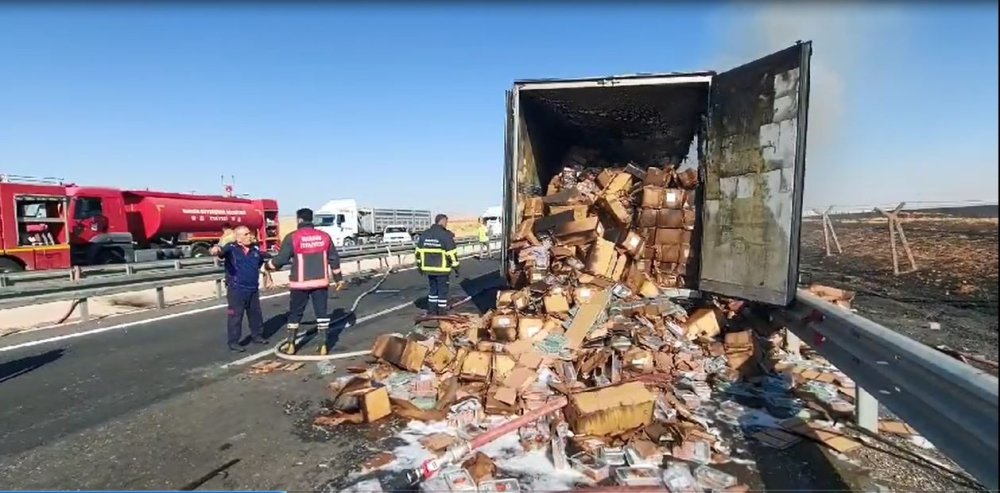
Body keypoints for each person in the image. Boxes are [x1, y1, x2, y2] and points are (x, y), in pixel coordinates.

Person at [267, 208, 344, 355]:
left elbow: (281, 260)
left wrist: (267, 267)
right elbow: (334, 258)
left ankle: (291, 344)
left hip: (299, 283)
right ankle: (323, 345)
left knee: (295, 313)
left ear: (299, 220)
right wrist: (338, 279)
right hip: (320, 283)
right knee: (321, 313)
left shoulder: (292, 237)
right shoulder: (324, 236)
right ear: (311, 219)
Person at [210, 225, 272, 352]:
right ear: (238, 238)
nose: (249, 236)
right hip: (236, 289)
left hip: (253, 288)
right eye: (246, 234)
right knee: (235, 316)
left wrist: (269, 276)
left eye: (249, 233)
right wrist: (215, 249)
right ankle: (233, 341)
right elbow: (219, 251)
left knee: (255, 314)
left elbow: (262, 266)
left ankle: (257, 336)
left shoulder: (255, 250)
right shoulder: (231, 248)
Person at [415, 214, 460, 315]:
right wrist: (456, 267)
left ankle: (431, 310)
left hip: (429, 269)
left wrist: (419, 266)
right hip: (442, 270)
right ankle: (442, 311)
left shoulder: (425, 234)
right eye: (446, 222)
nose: (446, 224)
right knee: (442, 291)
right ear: (443, 221)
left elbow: (417, 252)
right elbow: (451, 254)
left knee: (433, 290)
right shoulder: (445, 235)